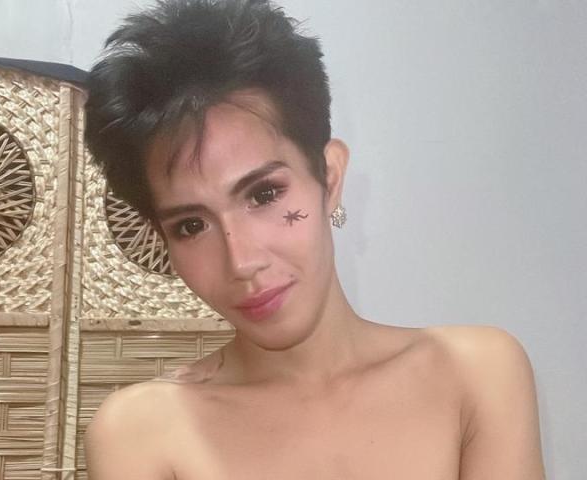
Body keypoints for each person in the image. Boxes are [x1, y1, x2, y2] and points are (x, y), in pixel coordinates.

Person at [83, 0, 546, 478]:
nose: (241, 261)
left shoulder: (476, 376)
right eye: (191, 225)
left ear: (330, 177)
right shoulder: (142, 433)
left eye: (264, 194)